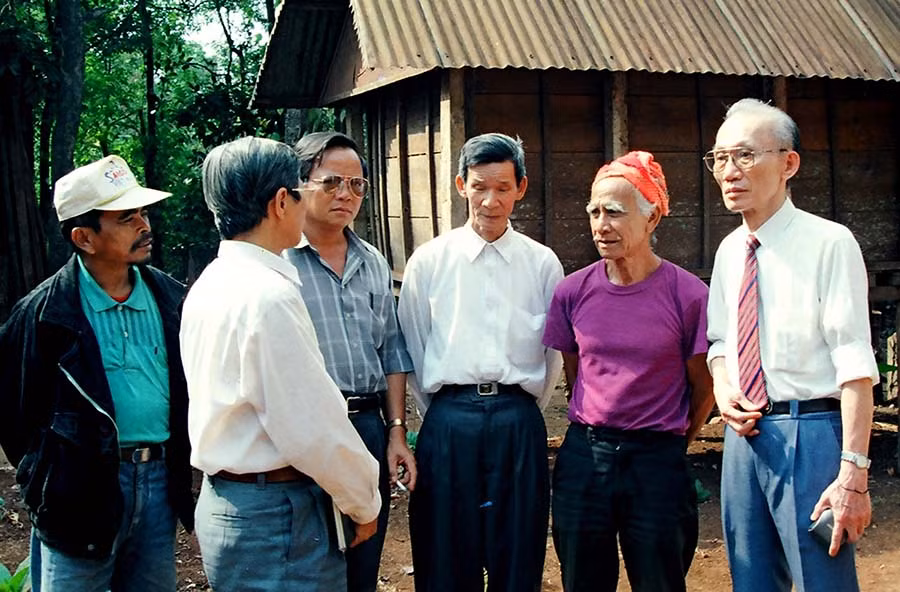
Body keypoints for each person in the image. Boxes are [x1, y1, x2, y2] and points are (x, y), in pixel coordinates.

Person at [180, 137, 381, 591]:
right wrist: (364, 501)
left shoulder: (210, 283)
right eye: (298, 190)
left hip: (230, 500)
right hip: (277, 516)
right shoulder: (268, 297)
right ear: (279, 203)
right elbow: (312, 428)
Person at [0, 155, 195, 591]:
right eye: (127, 218)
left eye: (143, 213)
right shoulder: (42, 315)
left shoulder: (172, 300)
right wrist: (52, 475)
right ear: (84, 237)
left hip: (159, 480)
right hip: (78, 493)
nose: (144, 225)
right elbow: (14, 418)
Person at [706, 98, 877, 592]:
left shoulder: (829, 243)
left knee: (822, 579)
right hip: (745, 439)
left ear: (788, 163)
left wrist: (854, 475)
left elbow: (855, 367)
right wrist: (722, 388)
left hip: (812, 432)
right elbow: (720, 341)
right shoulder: (729, 250)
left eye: (744, 155)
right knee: (751, 579)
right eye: (719, 158)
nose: (729, 171)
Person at [397, 132, 564, 592]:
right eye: (480, 186)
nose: (491, 201)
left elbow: (552, 357)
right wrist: (446, 413)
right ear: (460, 185)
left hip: (518, 420)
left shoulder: (543, 264)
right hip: (449, 420)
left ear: (521, 188)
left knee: (518, 551)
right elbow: (414, 345)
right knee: (445, 552)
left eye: (503, 188)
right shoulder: (429, 262)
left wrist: (519, 406)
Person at [542, 151, 714, 592]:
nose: (601, 224)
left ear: (652, 218)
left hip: (657, 460)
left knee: (660, 578)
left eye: (615, 212)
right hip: (585, 456)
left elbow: (703, 387)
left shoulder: (688, 295)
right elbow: (577, 373)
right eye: (594, 212)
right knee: (582, 577)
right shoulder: (572, 291)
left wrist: (672, 439)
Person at [285, 131, 416, 592]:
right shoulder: (278, 262)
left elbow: (391, 349)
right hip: (304, 432)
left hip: (366, 426)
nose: (346, 194)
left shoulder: (373, 261)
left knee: (363, 561)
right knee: (309, 562)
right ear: (301, 184)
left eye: (358, 185)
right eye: (332, 182)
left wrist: (396, 430)